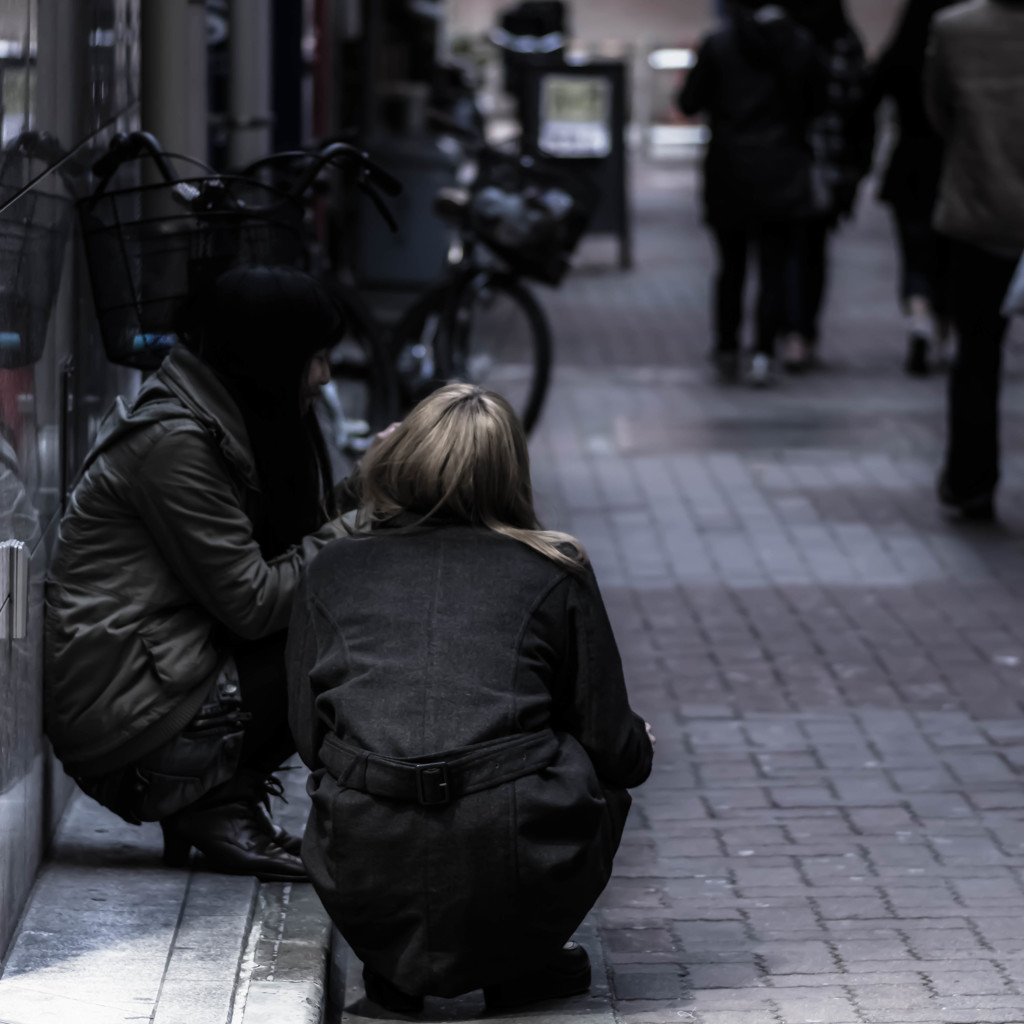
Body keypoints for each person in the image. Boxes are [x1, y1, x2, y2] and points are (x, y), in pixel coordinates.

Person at [286, 383, 654, 1012]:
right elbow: (613, 746)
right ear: (512, 470)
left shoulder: (332, 567)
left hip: (368, 850)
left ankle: (399, 965)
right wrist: (635, 747)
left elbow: (308, 739)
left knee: (366, 774)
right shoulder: (553, 567)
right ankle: (519, 961)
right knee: (597, 772)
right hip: (513, 848)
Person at [44, 265, 351, 881]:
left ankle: (218, 799)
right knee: (342, 635)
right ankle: (211, 803)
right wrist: (359, 527)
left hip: (157, 684)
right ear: (270, 358)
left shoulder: (216, 419)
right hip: (130, 731)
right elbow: (257, 601)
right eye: (314, 358)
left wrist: (380, 489)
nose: (323, 376)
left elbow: (280, 553)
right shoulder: (176, 443)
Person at [679, 0, 823, 385]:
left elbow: (689, 101)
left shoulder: (720, 44)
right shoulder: (799, 43)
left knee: (731, 267)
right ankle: (763, 350)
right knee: (774, 268)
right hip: (782, 169)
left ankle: (727, 347)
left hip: (729, 168)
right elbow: (818, 104)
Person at [924, 0, 1024, 521]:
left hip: (980, 209)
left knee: (977, 354)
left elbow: (938, 111)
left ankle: (971, 480)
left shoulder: (955, 29)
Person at [869, 0, 959, 376]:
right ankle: (944, 327)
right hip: (956, 164)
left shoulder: (904, 51)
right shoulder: (961, 46)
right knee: (951, 252)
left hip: (910, 166)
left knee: (915, 251)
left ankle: (920, 315)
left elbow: (870, 91)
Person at [783, 0, 873, 371]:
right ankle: (802, 332)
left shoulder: (785, 37)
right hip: (830, 165)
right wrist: (857, 169)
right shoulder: (844, 42)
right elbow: (861, 109)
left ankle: (785, 331)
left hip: (785, 160)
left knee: (783, 251)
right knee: (813, 252)